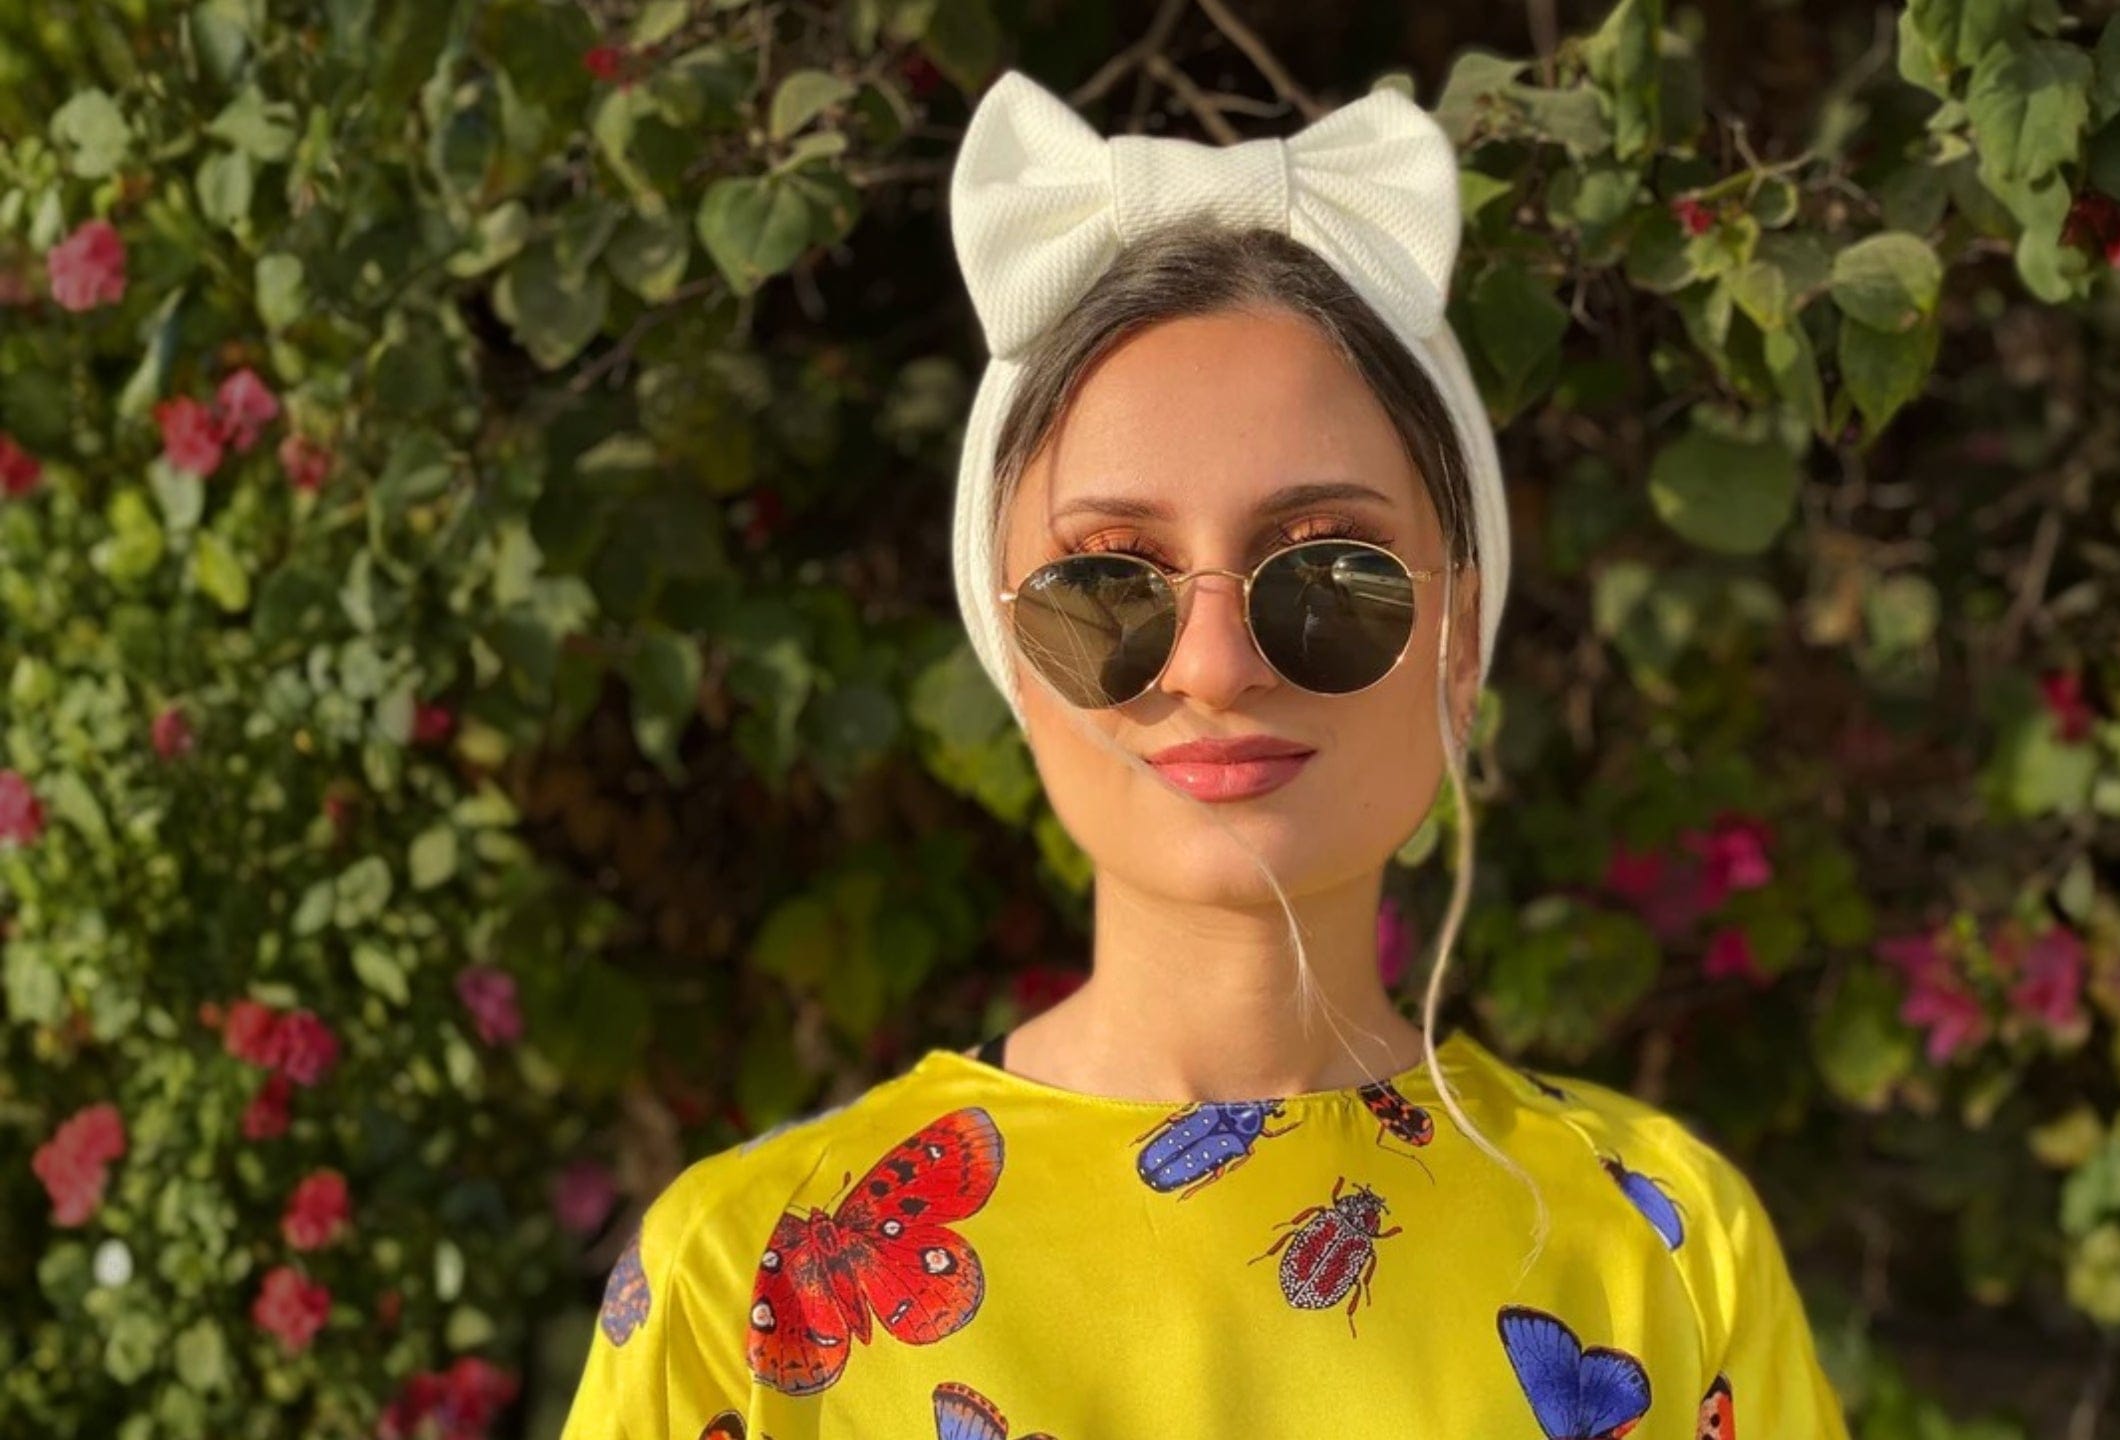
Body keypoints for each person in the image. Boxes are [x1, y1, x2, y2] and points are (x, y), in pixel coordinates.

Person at [560, 68, 1851, 1440]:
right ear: (1010, 652)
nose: (1217, 665)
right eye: (1108, 582)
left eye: (1331, 571)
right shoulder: (750, 1279)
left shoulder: (1661, 1243)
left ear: (1460, 637)